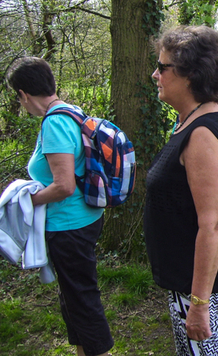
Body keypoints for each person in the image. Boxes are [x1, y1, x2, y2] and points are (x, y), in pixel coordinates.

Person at [144, 26, 218, 356]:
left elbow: (214, 225)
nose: (155, 74)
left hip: (205, 288)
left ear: (189, 74)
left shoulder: (202, 132)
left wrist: (201, 304)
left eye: (162, 67)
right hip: (189, 282)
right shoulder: (191, 120)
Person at [7, 57, 113, 356]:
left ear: (23, 94)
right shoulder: (70, 112)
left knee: (81, 299)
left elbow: (63, 185)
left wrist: (27, 200)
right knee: (73, 299)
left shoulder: (55, 122)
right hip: (84, 217)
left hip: (70, 226)